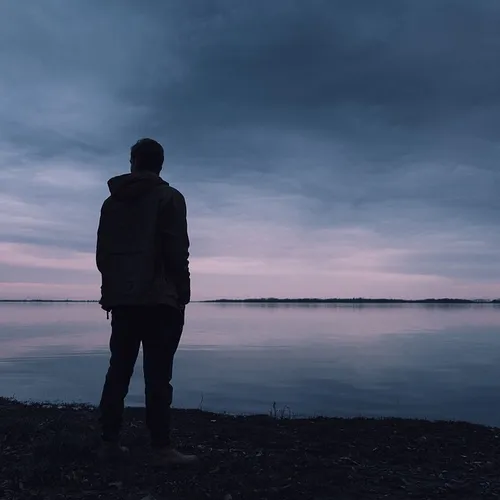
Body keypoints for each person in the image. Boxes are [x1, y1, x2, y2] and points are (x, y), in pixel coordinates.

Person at [95, 138, 197, 466]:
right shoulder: (169, 197)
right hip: (160, 300)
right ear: (160, 164)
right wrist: (183, 292)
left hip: (123, 300)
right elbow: (176, 250)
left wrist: (111, 291)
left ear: (133, 162)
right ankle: (161, 448)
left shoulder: (111, 204)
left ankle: (108, 443)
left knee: (118, 371)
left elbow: (103, 254)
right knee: (157, 376)